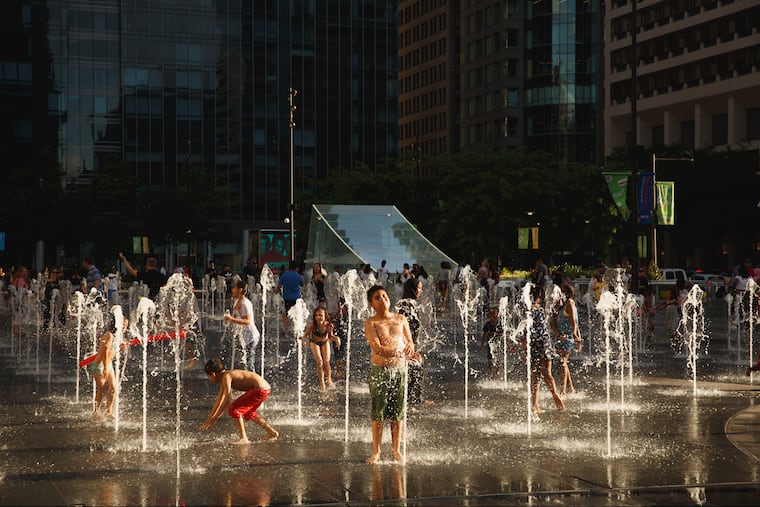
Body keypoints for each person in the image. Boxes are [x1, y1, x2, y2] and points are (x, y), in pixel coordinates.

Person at [364, 285, 418, 464]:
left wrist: (410, 348)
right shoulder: (371, 322)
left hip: (399, 370)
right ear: (372, 304)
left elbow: (410, 341)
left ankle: (396, 450)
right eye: (377, 297)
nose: (383, 299)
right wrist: (398, 351)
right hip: (380, 371)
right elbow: (376, 347)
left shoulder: (400, 319)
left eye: (384, 295)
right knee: (378, 410)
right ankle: (377, 451)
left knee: (398, 411)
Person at [198, 358, 279, 444]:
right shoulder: (225, 377)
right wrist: (210, 418)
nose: (209, 378)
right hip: (264, 389)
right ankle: (272, 432)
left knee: (234, 409)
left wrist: (214, 419)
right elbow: (219, 400)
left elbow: (227, 401)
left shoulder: (226, 376)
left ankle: (243, 438)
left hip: (260, 389)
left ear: (213, 374)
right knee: (249, 413)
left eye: (208, 376)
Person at [523, 286, 564, 414]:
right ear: (539, 297)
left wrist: (524, 346)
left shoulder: (527, 310)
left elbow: (525, 331)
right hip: (543, 344)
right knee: (547, 372)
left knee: (535, 376)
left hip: (533, 344)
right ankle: (555, 395)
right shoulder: (541, 311)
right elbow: (545, 328)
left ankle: (534, 405)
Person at [396, 277, 428, 405]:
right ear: (412, 289)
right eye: (419, 288)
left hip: (409, 345)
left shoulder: (407, 303)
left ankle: (414, 398)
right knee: (415, 366)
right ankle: (413, 399)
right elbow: (403, 328)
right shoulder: (408, 305)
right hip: (404, 347)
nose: (421, 290)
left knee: (417, 365)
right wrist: (407, 350)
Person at [88, 317, 126, 420]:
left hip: (108, 365)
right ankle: (96, 411)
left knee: (113, 388)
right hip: (99, 365)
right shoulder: (109, 335)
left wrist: (120, 346)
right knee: (101, 389)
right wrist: (104, 367)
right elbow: (105, 350)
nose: (124, 328)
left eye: (125, 326)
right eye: (123, 325)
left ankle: (108, 411)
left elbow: (112, 350)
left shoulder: (116, 337)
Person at [551, 283, 582, 397]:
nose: (559, 294)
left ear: (567, 294)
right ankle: (571, 388)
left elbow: (574, 321)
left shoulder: (569, 303)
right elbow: (552, 322)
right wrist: (557, 334)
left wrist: (575, 335)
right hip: (561, 337)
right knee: (563, 362)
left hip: (568, 337)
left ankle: (563, 391)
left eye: (561, 292)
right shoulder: (560, 305)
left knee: (562, 362)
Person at [302, 306, 341, 393]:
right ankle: (322, 383)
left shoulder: (328, 325)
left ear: (325, 316)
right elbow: (305, 334)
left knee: (326, 361)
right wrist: (303, 341)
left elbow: (331, 336)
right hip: (314, 342)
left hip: (325, 341)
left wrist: (337, 339)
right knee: (320, 362)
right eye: (316, 315)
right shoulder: (312, 326)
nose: (318, 317)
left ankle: (329, 380)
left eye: (320, 315)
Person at [224, 279, 260, 372]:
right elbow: (236, 317)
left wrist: (231, 319)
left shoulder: (245, 303)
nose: (232, 289)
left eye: (234, 288)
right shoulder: (237, 301)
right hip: (245, 336)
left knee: (249, 363)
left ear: (240, 290)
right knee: (243, 362)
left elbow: (248, 321)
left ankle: (254, 384)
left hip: (251, 337)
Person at [276, 260, 304, 333]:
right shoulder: (299, 276)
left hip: (287, 298)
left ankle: (286, 329)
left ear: (288, 267)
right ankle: (297, 329)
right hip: (297, 299)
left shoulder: (284, 276)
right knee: (297, 314)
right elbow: (303, 286)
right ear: (297, 268)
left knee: (284, 314)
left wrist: (275, 292)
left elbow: (278, 288)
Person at [479, 307, 501, 380]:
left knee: (498, 358)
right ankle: (490, 372)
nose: (493, 316)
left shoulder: (499, 323)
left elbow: (502, 334)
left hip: (498, 343)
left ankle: (497, 372)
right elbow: (484, 335)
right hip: (490, 343)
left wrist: (507, 344)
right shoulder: (488, 324)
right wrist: (482, 344)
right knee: (490, 358)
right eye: (491, 315)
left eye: (494, 314)